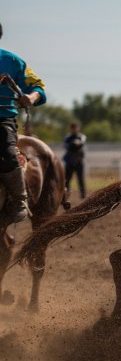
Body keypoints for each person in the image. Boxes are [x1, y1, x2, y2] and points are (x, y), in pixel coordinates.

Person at [0, 23, 47, 223]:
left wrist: (31, 97)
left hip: (2, 119)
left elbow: (38, 87)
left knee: (6, 153)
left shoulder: (13, 61)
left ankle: (19, 201)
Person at [63, 122, 87, 199]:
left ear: (78, 128)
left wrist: (75, 144)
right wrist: (73, 144)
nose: (74, 130)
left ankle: (83, 195)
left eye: (75, 128)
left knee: (80, 179)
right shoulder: (67, 137)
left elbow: (81, 143)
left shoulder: (82, 136)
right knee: (67, 180)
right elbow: (66, 146)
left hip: (79, 161)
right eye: (72, 128)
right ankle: (66, 195)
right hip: (69, 161)